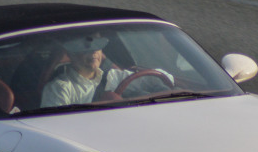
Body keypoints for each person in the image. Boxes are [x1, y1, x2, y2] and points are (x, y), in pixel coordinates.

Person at [41, 34, 169, 108]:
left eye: (97, 47)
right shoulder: (60, 88)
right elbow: (54, 127)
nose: (93, 52)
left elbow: (155, 78)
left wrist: (172, 87)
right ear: (71, 54)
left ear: (102, 52)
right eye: (86, 49)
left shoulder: (114, 76)